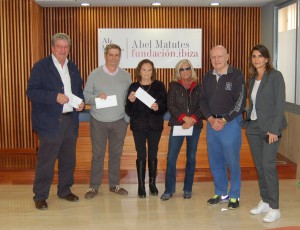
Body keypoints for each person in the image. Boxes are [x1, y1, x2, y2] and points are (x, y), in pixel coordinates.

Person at [27, 33, 85, 210]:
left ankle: (64, 190)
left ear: (69, 48)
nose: (63, 50)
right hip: (49, 122)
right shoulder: (41, 66)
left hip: (70, 121)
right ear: (52, 47)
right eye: (59, 46)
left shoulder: (72, 67)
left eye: (66, 47)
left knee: (68, 159)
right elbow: (32, 92)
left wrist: (81, 103)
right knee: (47, 161)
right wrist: (54, 97)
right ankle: (40, 196)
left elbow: (77, 90)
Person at [243, 44, 287, 222]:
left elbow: (279, 104)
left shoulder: (275, 76)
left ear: (267, 58)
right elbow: (254, 104)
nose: (256, 59)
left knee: (269, 167)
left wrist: (274, 129)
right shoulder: (253, 78)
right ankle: (266, 201)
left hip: (270, 130)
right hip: (254, 128)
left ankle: (275, 208)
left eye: (260, 56)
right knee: (260, 167)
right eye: (254, 56)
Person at [200, 45, 246, 209]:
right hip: (212, 124)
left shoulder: (237, 75)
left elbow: (240, 102)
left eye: (220, 56)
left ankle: (234, 195)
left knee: (232, 161)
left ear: (227, 56)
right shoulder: (207, 77)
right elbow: (202, 100)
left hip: (231, 124)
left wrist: (224, 120)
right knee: (215, 161)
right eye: (213, 57)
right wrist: (211, 119)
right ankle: (221, 192)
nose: (217, 60)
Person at [83, 43, 132, 199]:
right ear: (105, 56)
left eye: (117, 55)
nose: (114, 58)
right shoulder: (95, 74)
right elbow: (85, 96)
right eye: (111, 55)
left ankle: (114, 185)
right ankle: (94, 187)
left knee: (116, 154)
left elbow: (129, 99)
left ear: (119, 57)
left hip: (119, 121)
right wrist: (97, 98)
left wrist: (127, 118)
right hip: (98, 121)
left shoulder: (126, 75)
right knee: (98, 154)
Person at [160, 59, 203, 201]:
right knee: (171, 157)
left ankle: (187, 189)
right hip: (179, 124)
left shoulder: (198, 86)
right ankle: (169, 189)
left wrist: (192, 120)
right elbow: (171, 105)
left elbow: (202, 106)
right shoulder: (173, 86)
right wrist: (184, 118)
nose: (185, 71)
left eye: (187, 68)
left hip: (194, 126)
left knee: (191, 158)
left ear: (191, 69)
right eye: (182, 69)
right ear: (178, 72)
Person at [125, 59, 167, 198]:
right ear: (139, 71)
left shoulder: (159, 86)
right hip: (139, 127)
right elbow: (128, 111)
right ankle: (141, 185)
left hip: (155, 126)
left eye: (149, 70)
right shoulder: (133, 86)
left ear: (153, 71)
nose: (147, 73)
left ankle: (152, 184)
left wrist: (158, 107)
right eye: (144, 70)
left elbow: (165, 106)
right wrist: (130, 102)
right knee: (141, 154)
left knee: (153, 154)